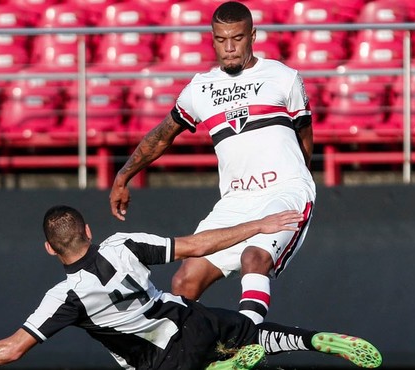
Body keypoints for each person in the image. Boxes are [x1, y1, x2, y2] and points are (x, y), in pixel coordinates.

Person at [0, 205, 382, 370]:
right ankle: (311, 340)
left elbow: (11, 349)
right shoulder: (124, 244)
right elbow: (198, 244)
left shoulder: (65, 297)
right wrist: (258, 224)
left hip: (158, 360)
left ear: (48, 249)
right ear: (87, 231)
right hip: (189, 318)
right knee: (250, 329)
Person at [109, 0, 316, 324]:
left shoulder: (283, 77)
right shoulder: (199, 88)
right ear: (212, 38)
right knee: (184, 280)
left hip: (285, 191)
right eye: (221, 40)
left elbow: (305, 137)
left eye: (237, 38)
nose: (229, 48)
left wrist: (297, 182)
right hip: (235, 201)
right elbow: (163, 135)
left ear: (252, 36)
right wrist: (123, 176)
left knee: (254, 257)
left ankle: (248, 343)